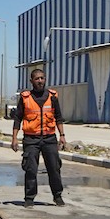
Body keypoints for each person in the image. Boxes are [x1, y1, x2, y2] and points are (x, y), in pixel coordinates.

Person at [11, 68, 67, 207]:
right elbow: (17, 119)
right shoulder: (25, 98)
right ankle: (29, 198)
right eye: (37, 79)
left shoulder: (52, 96)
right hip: (31, 140)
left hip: (49, 139)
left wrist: (62, 136)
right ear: (31, 81)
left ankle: (57, 196)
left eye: (42, 78)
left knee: (54, 168)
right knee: (30, 169)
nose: (40, 81)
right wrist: (14, 138)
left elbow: (59, 117)